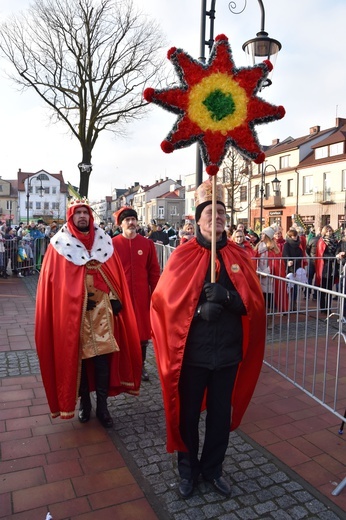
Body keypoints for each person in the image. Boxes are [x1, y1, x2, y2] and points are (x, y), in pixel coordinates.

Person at [150, 179, 266, 499]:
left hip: (227, 355)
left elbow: (253, 305)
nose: (216, 216)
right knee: (187, 417)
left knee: (218, 418)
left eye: (221, 212)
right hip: (192, 356)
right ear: (197, 218)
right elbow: (164, 302)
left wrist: (227, 298)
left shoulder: (239, 255)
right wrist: (200, 310)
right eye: (209, 211)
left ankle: (213, 469)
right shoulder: (182, 256)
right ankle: (187, 471)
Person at [35, 199, 142, 428]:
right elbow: (57, 284)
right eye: (78, 213)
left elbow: (115, 276)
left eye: (85, 212)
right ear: (71, 217)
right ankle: (85, 403)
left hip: (103, 314)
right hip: (76, 316)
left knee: (103, 360)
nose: (82, 216)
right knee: (81, 361)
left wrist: (114, 299)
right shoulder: (59, 245)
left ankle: (103, 407)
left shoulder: (103, 241)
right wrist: (78, 298)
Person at [112, 207, 161, 381]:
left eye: (134, 219)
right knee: (121, 333)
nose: (131, 223)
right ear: (121, 224)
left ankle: (140, 367)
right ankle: (121, 368)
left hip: (141, 297)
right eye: (127, 220)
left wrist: (156, 294)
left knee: (142, 335)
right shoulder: (112, 244)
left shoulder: (146, 244)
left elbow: (154, 271)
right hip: (120, 297)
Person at [315, 225, 339, 312]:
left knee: (330, 289)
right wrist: (334, 257)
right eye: (327, 231)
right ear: (324, 232)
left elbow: (338, 250)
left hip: (333, 267)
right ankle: (323, 308)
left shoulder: (335, 241)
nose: (329, 232)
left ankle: (328, 307)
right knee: (323, 289)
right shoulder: (322, 241)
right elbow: (322, 255)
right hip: (325, 267)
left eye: (330, 230)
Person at [282, 228, 305, 310]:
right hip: (288, 268)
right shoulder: (286, 245)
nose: (294, 238)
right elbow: (285, 255)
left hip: (297, 267)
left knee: (295, 287)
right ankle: (286, 304)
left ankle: (293, 303)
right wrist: (289, 261)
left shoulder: (299, 245)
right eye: (292, 236)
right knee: (288, 287)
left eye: (295, 236)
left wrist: (294, 261)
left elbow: (300, 256)